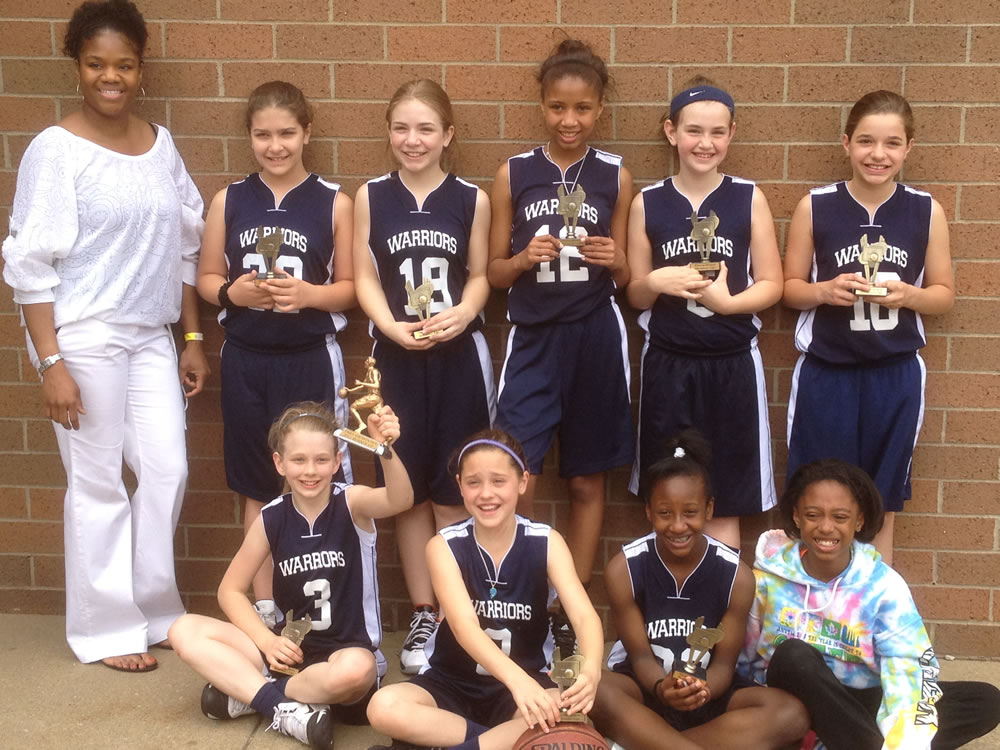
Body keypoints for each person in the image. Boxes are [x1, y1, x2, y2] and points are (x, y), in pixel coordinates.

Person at [1, 0, 209, 672]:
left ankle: (153, 609)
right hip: (83, 336)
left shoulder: (161, 144)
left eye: (124, 65)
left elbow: (185, 244)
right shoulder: (56, 151)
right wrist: (50, 362)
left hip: (150, 337)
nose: (110, 77)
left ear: (141, 69)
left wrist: (192, 337)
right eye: (96, 64)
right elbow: (30, 264)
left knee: (167, 469)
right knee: (97, 483)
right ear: (77, 67)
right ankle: (106, 630)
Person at [196, 80, 355, 624]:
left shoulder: (334, 202)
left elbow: (351, 288)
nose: (275, 145)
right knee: (257, 482)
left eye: (287, 133)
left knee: (321, 477)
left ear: (307, 132)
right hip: (246, 357)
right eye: (263, 135)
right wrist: (231, 293)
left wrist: (309, 295)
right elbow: (206, 277)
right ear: (249, 136)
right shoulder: (230, 199)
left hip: (309, 357)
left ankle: (330, 603)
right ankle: (264, 605)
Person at [169, 401, 413, 749]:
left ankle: (255, 695)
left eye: (321, 460)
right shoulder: (271, 517)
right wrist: (267, 641)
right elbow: (230, 591)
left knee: (357, 669)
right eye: (298, 460)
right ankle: (281, 706)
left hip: (344, 657)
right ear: (279, 463)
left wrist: (384, 449)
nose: (310, 470)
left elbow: (400, 500)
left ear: (337, 461)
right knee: (183, 629)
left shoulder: (352, 503)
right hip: (288, 652)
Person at [353, 79, 494, 674]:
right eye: (402, 128)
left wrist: (464, 312)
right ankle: (424, 611)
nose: (413, 140)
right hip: (397, 360)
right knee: (407, 490)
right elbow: (364, 274)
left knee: (454, 489)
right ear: (389, 132)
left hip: (457, 359)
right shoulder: (371, 195)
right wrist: (388, 325)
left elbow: (481, 274)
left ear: (447, 135)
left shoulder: (471, 199)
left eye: (426, 129)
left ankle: (461, 615)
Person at [487, 39, 634, 612]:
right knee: (513, 469)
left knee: (586, 479)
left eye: (582, 109)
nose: (569, 120)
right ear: (541, 106)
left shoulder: (615, 175)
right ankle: (518, 596)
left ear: (600, 110)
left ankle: (569, 607)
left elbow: (628, 276)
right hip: (534, 336)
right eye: (557, 107)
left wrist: (614, 259)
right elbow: (495, 272)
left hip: (594, 335)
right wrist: (524, 258)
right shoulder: (514, 173)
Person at [783, 90, 955, 564]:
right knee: (816, 499)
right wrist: (823, 291)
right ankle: (812, 604)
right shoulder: (815, 205)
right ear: (846, 143)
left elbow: (944, 293)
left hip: (893, 372)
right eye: (866, 141)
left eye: (892, 143)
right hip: (827, 371)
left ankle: (871, 606)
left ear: (908, 148)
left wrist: (909, 296)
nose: (878, 154)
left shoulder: (926, 210)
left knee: (880, 504)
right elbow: (790, 288)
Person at [365, 430, 604, 750]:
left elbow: (584, 616)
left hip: (526, 679)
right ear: (460, 485)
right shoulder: (444, 546)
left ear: (522, 482)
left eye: (499, 481)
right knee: (383, 707)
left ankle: (453, 743)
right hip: (451, 681)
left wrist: (591, 670)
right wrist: (517, 682)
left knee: (566, 717)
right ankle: (500, 742)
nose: (486, 493)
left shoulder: (547, 541)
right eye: (474, 482)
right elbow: (464, 626)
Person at [740, 459, 1000, 749]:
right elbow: (744, 660)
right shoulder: (766, 580)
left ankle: (844, 741)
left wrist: (905, 742)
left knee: (984, 700)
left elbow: (906, 666)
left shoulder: (883, 586)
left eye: (840, 517)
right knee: (792, 656)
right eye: (813, 515)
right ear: (797, 517)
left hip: (860, 699)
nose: (826, 527)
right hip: (793, 702)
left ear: (859, 521)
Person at [625, 77, 783, 550]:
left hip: (731, 363)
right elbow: (635, 293)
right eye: (694, 131)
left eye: (717, 132)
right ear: (671, 131)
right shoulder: (648, 202)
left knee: (725, 498)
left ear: (731, 134)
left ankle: (720, 597)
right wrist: (656, 282)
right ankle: (668, 594)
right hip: (668, 363)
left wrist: (728, 304)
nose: (705, 143)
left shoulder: (748, 197)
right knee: (667, 493)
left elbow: (772, 283)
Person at [590, 431, 808, 750]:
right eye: (665, 513)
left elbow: (723, 666)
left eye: (690, 513)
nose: (678, 526)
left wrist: (702, 690)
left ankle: (653, 744)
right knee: (594, 689)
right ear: (649, 511)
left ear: (708, 509)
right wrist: (660, 686)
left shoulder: (736, 576)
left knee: (791, 714)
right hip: (646, 691)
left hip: (708, 695)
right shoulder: (624, 569)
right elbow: (640, 657)